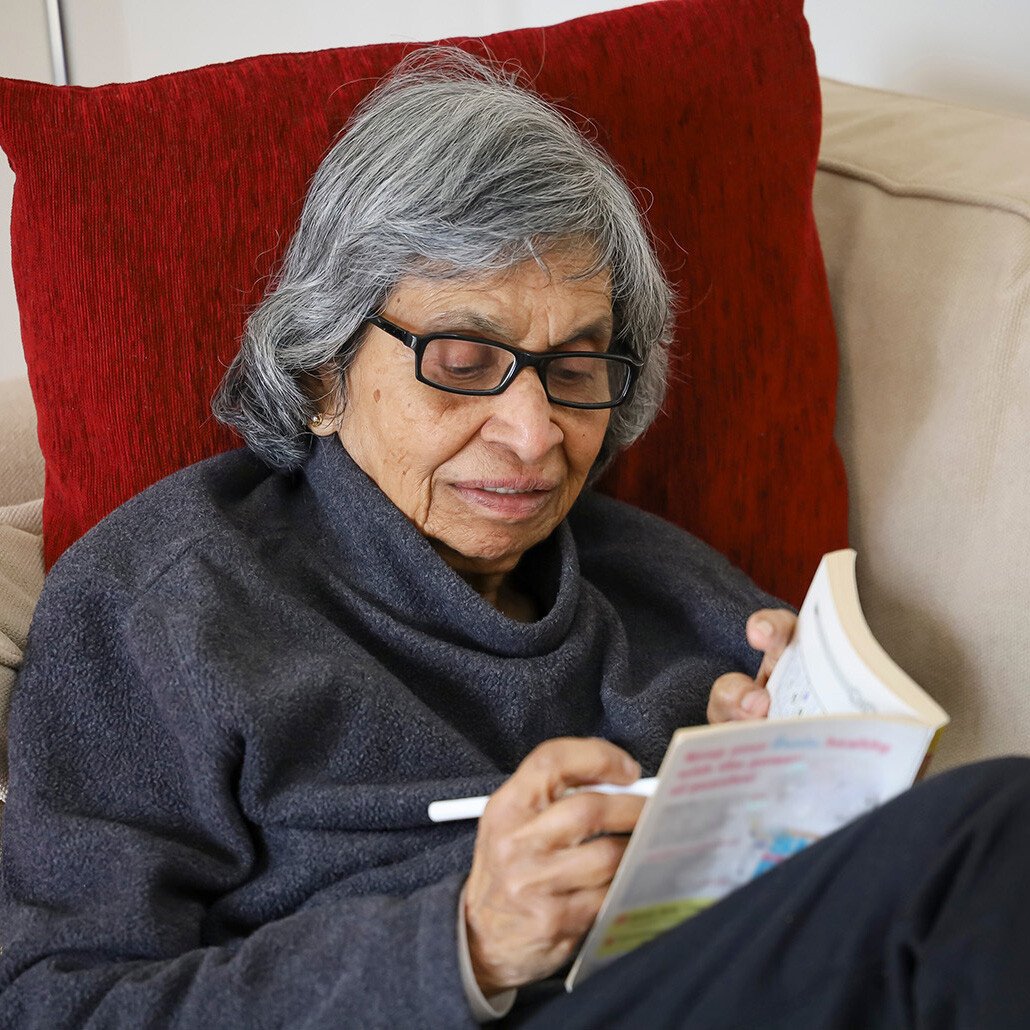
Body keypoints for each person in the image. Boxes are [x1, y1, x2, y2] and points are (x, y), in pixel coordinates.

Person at [1, 48, 1028, 1030]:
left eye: (575, 367)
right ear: (322, 373)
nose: (536, 435)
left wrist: (797, 784)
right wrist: (463, 942)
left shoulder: (668, 587)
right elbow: (54, 1001)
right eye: (460, 357)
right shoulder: (166, 603)